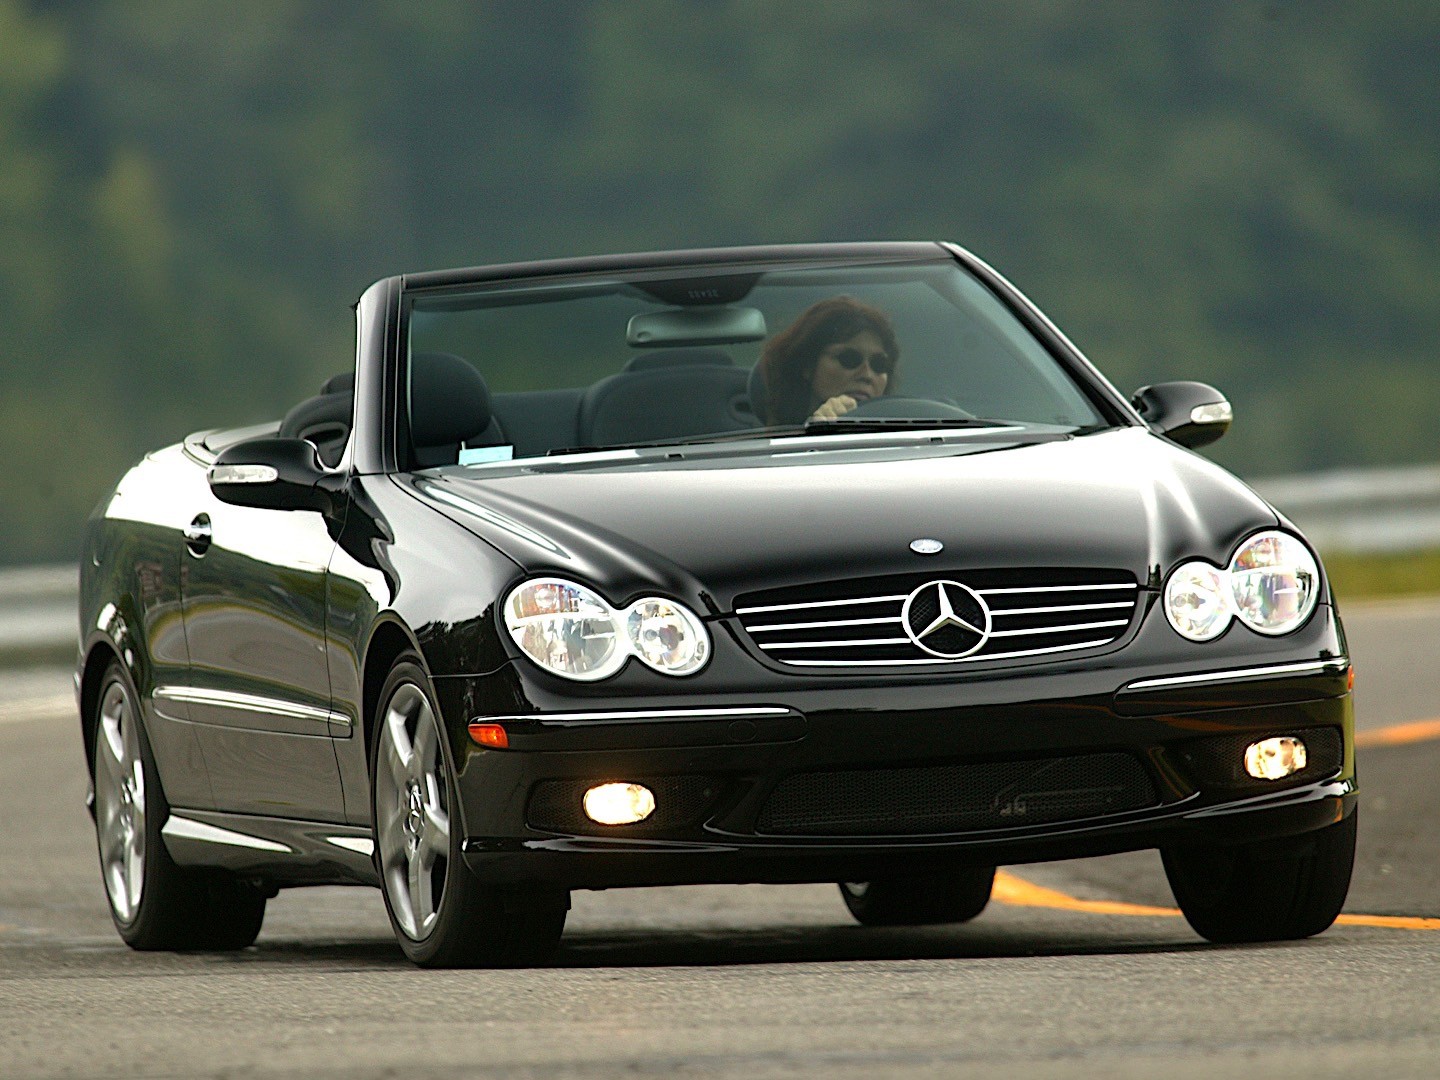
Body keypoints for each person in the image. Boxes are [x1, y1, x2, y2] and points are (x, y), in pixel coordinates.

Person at [755, 296, 899, 425]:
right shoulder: (775, 443)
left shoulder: (903, 436)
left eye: (879, 364)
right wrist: (818, 431)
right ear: (807, 365)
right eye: (849, 359)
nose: (867, 375)